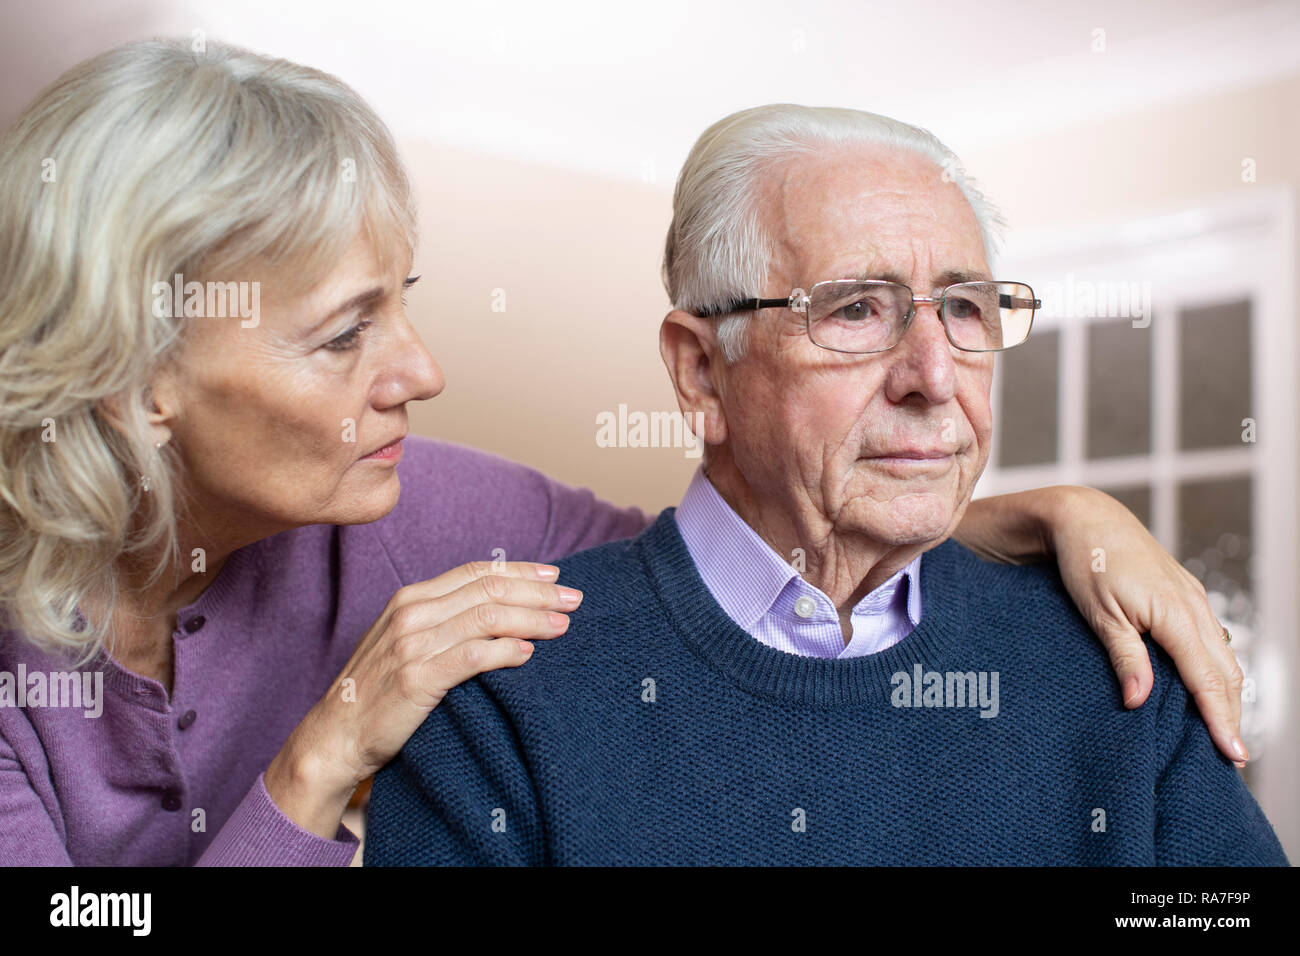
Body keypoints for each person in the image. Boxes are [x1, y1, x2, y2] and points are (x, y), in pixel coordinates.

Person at [0, 41, 1242, 867]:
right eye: (342, 334)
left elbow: (727, 552)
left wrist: (1048, 514)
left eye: (965, 309)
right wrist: (324, 751)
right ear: (138, 382)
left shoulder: (425, 506)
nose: (422, 372)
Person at [365, 104, 1287, 866]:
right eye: (855, 310)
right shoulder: (501, 702)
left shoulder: (1115, 659)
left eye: (965, 308)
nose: (934, 375)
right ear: (699, 372)